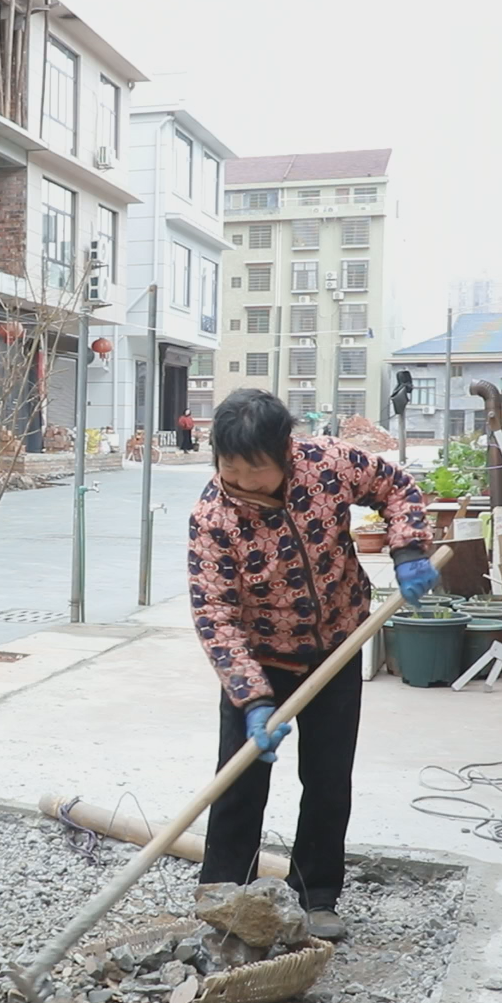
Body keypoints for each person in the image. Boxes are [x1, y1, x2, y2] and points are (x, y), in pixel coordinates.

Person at [187, 388, 438, 941]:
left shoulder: (327, 465)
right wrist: (252, 699)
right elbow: (216, 616)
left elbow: (396, 488)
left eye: (256, 470)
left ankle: (316, 895)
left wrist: (409, 550)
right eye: (230, 468)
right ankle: (225, 896)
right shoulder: (213, 518)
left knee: (327, 778)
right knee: (239, 782)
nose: (243, 482)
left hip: (338, 646)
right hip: (260, 660)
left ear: (286, 452)